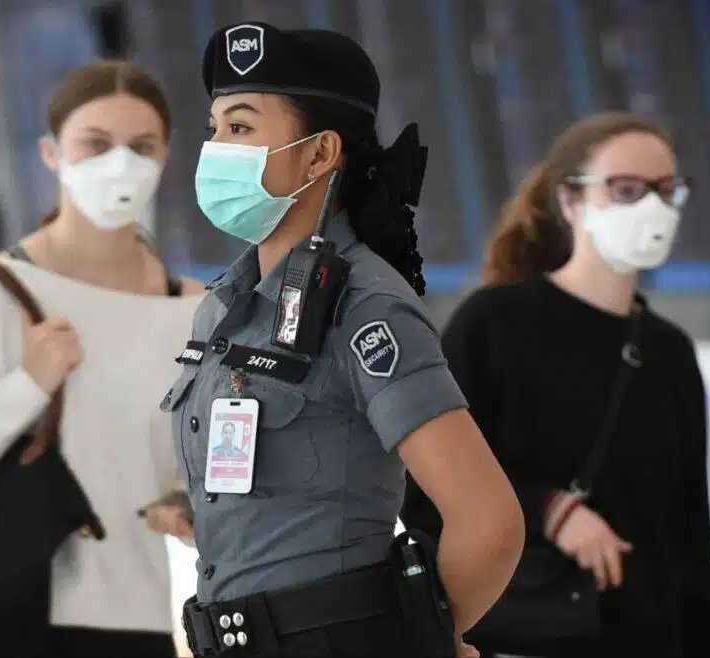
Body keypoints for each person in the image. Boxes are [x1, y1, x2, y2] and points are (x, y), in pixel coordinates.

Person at [161, 22, 525, 658]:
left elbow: (489, 522)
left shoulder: (365, 306)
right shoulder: (222, 305)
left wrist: (425, 642)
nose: (216, 147)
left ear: (320, 153)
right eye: (215, 128)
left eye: (242, 128)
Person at [0, 59, 204, 657]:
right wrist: (25, 387)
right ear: (53, 154)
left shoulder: (195, 311)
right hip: (12, 617)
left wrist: (185, 501)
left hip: (143, 622)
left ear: (165, 160)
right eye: (95, 144)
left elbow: (178, 464)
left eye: (141, 146)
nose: (119, 164)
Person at [401, 112, 710, 658]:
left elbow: (688, 527)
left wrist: (709, 641)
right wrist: (549, 509)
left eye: (666, 190)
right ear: (571, 202)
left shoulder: (668, 350)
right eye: (625, 189)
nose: (650, 206)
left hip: (647, 639)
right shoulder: (494, 325)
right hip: (524, 635)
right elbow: (425, 493)